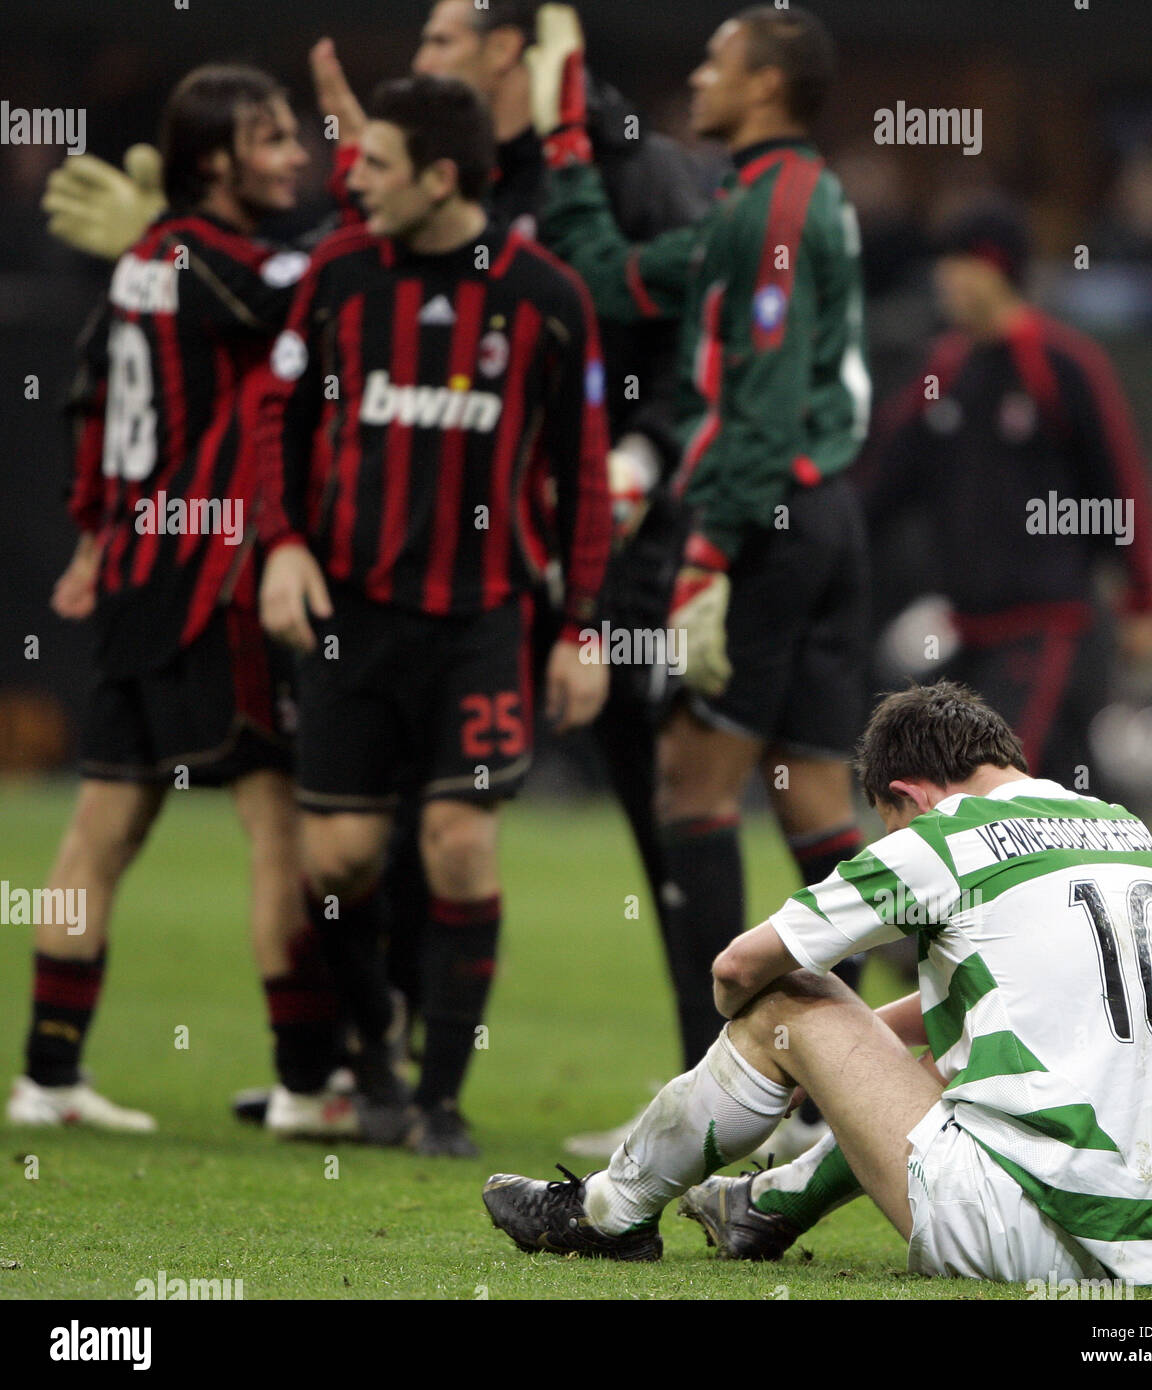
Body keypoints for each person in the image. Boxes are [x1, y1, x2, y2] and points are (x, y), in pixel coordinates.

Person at [309, 0, 707, 1152]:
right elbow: (378, 275)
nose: (420, 60)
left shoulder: (631, 170)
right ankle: (372, 1068)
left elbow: (694, 340)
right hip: (463, 570)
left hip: (624, 550)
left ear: (505, 52)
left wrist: (640, 465)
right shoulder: (461, 187)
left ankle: (711, 1096)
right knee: (393, 830)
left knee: (670, 801)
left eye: (437, 44)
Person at [482, 682, 1152, 1288]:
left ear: (908, 796)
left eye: (886, 819)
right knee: (965, 1054)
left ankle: (609, 1212)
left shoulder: (947, 838)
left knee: (783, 997)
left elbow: (737, 966)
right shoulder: (1125, 831)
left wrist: (764, 1042)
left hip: (1028, 1235)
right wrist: (848, 1061)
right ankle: (764, 1206)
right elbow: (1010, 1004)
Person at [524, 3, 873, 1149]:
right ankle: (868, 1078)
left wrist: (711, 555)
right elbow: (616, 279)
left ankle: (732, 1104)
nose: (695, 76)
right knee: (815, 800)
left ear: (766, 84)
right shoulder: (765, 197)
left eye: (716, 61)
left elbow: (761, 404)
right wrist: (569, 148)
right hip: (824, 515)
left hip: (768, 521)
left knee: (692, 786)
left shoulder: (770, 208)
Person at [255, 73, 613, 1156]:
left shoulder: (548, 296)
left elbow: (582, 473)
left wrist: (586, 623)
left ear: (442, 178)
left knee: (460, 843)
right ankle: (370, 1057)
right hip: (349, 616)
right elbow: (274, 419)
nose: (351, 178)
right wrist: (276, 542)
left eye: (375, 164)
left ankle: (442, 1101)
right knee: (340, 862)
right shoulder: (338, 274)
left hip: (482, 619)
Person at [7, 66, 357, 1138]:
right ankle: (307, 1085)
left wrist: (93, 527)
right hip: (214, 579)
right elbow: (324, 283)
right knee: (275, 831)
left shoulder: (139, 268)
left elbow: (86, 396)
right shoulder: (225, 262)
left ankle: (47, 1074)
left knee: (100, 828)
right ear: (214, 160)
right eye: (270, 140)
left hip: (132, 578)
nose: (293, 155)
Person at [857, 204, 1152, 789]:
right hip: (970, 628)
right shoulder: (943, 371)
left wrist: (1145, 600)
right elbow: (882, 485)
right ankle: (1131, 870)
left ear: (1000, 272)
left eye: (962, 264)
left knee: (986, 779)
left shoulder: (1061, 364)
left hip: (1050, 623)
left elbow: (1121, 482)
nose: (947, 279)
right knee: (1071, 786)